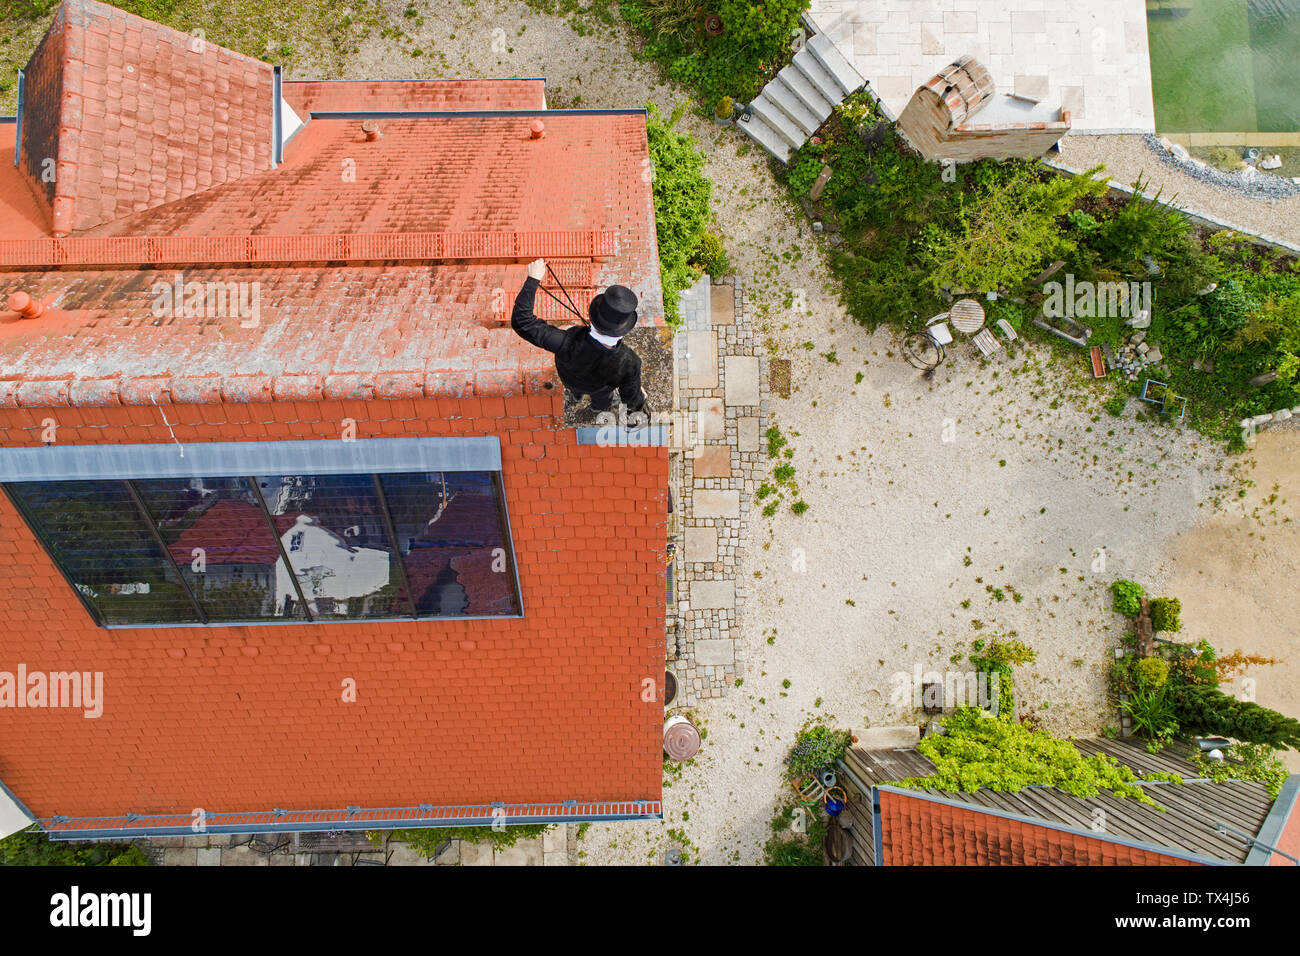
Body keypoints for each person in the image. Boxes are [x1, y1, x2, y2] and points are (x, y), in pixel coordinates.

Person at [510, 258, 648, 414]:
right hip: (598, 389)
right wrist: (640, 395)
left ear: (594, 316)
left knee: (574, 389)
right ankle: (596, 408)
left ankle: (576, 396)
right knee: (602, 400)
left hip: (569, 380)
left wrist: (533, 279)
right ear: (624, 326)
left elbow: (522, 322)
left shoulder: (566, 341)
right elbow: (631, 399)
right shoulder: (630, 363)